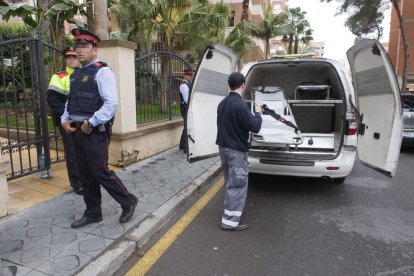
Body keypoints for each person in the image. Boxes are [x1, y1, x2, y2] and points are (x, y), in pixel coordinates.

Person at [61, 28, 138, 228]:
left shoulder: (102, 72)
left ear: (95, 50)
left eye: (85, 46)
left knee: (99, 171)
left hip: (95, 130)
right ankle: (93, 212)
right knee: (85, 173)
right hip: (78, 130)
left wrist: (92, 122)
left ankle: (128, 201)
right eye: (78, 46)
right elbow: (71, 102)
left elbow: (111, 104)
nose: (79, 50)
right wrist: (64, 119)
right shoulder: (76, 74)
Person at [216, 72, 262, 231]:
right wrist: (258, 113)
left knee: (230, 182)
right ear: (242, 85)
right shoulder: (240, 105)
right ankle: (230, 222)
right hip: (236, 152)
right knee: (237, 185)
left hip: (224, 148)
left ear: (229, 85)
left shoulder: (222, 103)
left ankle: (229, 213)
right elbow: (255, 127)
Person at [46, 47, 83, 195]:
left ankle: (86, 179)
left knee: (84, 151)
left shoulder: (84, 75)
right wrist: (66, 117)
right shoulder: (59, 77)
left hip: (83, 120)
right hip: (66, 120)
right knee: (72, 153)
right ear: (65, 60)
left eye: (74, 56)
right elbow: (53, 100)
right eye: (69, 57)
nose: (72, 59)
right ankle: (77, 184)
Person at [178, 69, 194, 153]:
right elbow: (186, 100)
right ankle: (186, 148)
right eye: (190, 75)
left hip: (187, 107)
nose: (191, 77)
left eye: (192, 75)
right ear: (185, 75)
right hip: (185, 107)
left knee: (186, 126)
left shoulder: (189, 84)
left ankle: (181, 145)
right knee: (187, 126)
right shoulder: (184, 85)